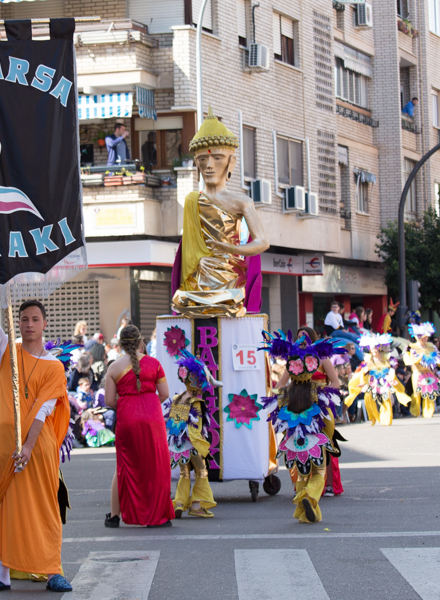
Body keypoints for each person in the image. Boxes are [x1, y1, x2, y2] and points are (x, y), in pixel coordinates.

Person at [0, 297, 73, 593]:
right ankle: (1, 575)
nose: (29, 324)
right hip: (5, 443)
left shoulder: (54, 366)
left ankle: (53, 570)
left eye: (34, 319)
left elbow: (44, 409)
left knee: (45, 504)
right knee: (8, 507)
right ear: (18, 323)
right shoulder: (8, 351)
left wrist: (28, 446)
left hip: (37, 445)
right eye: (24, 319)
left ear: (45, 324)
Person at [171, 109, 269, 318]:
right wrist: (196, 261)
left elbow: (262, 243)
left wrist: (231, 248)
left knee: (231, 301)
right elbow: (188, 250)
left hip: (229, 275)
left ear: (230, 162)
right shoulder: (192, 201)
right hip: (198, 280)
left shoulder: (241, 201)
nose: (209, 165)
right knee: (181, 301)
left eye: (217, 158)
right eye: (202, 160)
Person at [263, 330, 345, 523]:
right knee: (319, 471)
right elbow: (328, 424)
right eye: (298, 337)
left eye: (304, 337)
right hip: (313, 422)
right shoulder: (316, 391)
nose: (301, 340)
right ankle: (309, 496)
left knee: (301, 473)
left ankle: (305, 514)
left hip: (295, 424)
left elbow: (335, 383)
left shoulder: (288, 393)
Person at [102, 325, 173, 528]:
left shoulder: (114, 367)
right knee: (156, 464)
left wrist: (127, 404)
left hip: (127, 418)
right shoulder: (154, 363)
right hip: (153, 417)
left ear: (121, 345)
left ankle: (115, 516)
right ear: (141, 341)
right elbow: (165, 394)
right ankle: (158, 514)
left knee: (124, 466)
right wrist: (148, 405)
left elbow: (109, 401)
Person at [163, 351, 217, 519]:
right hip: (192, 445)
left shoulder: (178, 398)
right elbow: (195, 429)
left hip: (177, 447)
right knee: (201, 471)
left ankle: (179, 503)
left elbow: (172, 424)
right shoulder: (197, 403)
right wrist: (201, 447)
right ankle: (196, 505)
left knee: (184, 474)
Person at [346, 333, 411, 426]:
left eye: (376, 348)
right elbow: (363, 373)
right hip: (373, 383)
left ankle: (386, 418)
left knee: (386, 398)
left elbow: (391, 371)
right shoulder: (367, 362)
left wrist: (392, 380)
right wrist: (362, 382)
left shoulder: (387, 360)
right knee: (368, 397)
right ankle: (374, 417)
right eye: (372, 349)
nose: (374, 350)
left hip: (385, 382)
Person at [403, 322, 440, 419]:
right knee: (417, 393)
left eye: (426, 337)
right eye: (423, 337)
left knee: (429, 392)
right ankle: (416, 410)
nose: (425, 339)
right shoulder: (411, 347)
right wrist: (417, 358)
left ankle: (428, 412)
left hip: (429, 373)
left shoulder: (430, 346)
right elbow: (408, 360)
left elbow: (436, 359)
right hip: (418, 373)